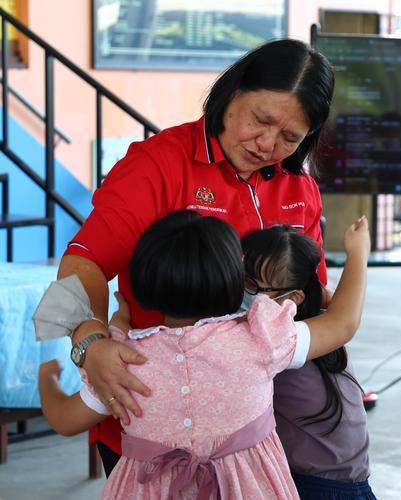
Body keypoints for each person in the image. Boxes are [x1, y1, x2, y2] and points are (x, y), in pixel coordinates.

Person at [44, 38, 335, 474]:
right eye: (261, 120)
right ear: (233, 91)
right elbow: (79, 265)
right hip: (148, 427)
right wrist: (90, 344)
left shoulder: (300, 189)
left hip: (261, 434)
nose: (266, 144)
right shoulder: (157, 164)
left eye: (290, 138)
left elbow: (313, 299)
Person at [38, 210, 370, 499]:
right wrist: (358, 252)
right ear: (232, 280)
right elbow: (342, 323)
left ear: (143, 282)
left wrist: (47, 378)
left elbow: (66, 420)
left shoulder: (124, 361)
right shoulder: (261, 339)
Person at [242, 224, 376, 499]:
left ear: (294, 298)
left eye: (255, 286)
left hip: (316, 487)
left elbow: (345, 318)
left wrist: (359, 252)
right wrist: (358, 248)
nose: (245, 294)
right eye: (243, 281)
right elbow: (340, 310)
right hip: (347, 481)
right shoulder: (319, 321)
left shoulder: (273, 341)